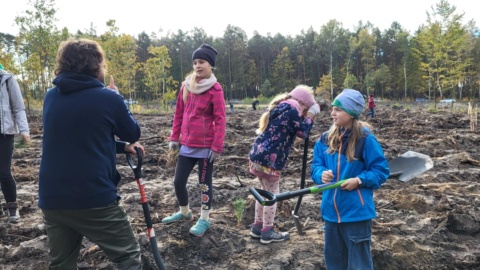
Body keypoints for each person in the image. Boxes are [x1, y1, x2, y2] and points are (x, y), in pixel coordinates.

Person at [38, 38, 144, 270]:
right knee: (128, 256)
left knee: (61, 264)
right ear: (97, 66)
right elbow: (132, 131)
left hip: (52, 198)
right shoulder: (108, 97)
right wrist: (118, 97)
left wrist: (119, 146)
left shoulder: (51, 97)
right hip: (92, 196)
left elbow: (74, 137)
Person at [310, 89, 389, 269]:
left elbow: (380, 171)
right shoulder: (324, 140)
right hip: (330, 214)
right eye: (332, 109)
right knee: (335, 262)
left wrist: (359, 181)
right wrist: (320, 174)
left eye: (338, 110)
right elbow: (315, 166)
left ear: (352, 113)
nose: (332, 113)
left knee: (358, 264)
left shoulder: (365, 139)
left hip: (356, 214)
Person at [163, 43, 226, 237]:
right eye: (195, 62)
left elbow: (220, 119)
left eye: (202, 62)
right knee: (178, 181)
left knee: (204, 184)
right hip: (187, 146)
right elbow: (179, 114)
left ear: (211, 65)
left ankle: (204, 218)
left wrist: (216, 146)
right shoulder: (186, 86)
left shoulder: (215, 90)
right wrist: (175, 137)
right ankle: (185, 212)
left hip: (206, 148)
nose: (198, 66)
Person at [249, 85, 321, 244]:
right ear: (302, 104)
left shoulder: (281, 107)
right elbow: (303, 132)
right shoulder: (293, 111)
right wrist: (310, 116)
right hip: (270, 161)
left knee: (262, 193)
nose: (303, 113)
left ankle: (257, 227)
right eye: (305, 109)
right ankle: (267, 231)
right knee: (272, 196)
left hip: (258, 157)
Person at [0, 64, 30, 223]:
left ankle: (12, 207)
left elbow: (18, 108)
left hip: (4, 134)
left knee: (4, 172)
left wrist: (24, 131)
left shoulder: (7, 79)